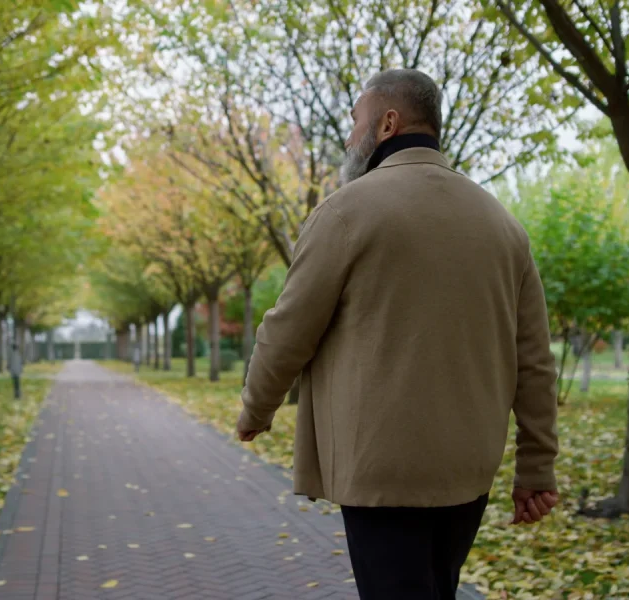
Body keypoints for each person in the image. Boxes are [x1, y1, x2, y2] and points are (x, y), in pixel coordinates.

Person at [236, 69, 559, 600]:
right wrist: (536, 467)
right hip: (468, 469)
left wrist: (256, 409)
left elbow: (288, 328)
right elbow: (535, 361)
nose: (348, 136)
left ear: (388, 123)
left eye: (355, 120)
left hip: (379, 469)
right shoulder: (502, 224)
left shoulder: (345, 213)